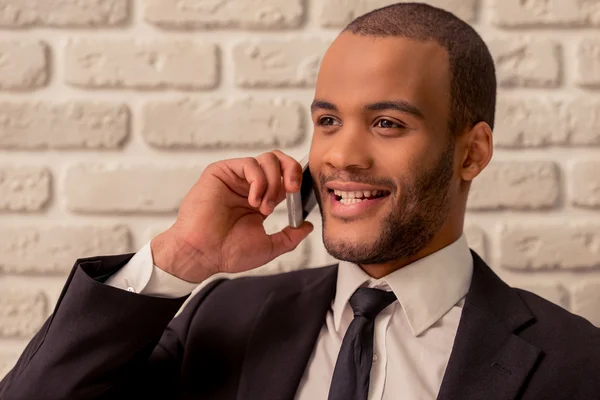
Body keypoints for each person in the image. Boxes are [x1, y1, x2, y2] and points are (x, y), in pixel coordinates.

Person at [2, 3, 599, 399]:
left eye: (388, 123)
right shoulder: (224, 317)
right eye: (328, 120)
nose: (342, 155)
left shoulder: (576, 363)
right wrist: (180, 257)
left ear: (472, 153)